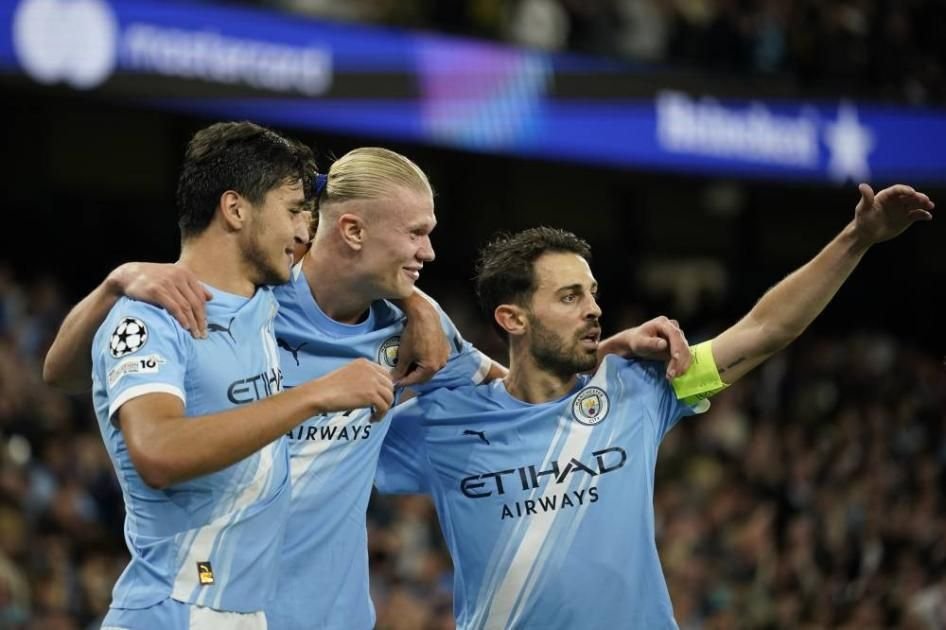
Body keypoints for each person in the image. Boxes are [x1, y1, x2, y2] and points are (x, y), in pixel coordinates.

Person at [45, 147, 692, 629]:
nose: (430, 252)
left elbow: (525, 394)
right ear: (351, 230)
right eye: (417, 233)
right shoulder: (245, 299)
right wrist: (116, 283)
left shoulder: (418, 324)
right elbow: (69, 375)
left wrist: (599, 356)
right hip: (207, 602)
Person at [375, 183, 935, 629]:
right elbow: (336, 447)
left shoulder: (636, 385)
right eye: (570, 297)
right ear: (512, 318)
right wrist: (410, 309)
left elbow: (765, 330)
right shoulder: (446, 420)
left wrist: (857, 238)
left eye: (593, 293)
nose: (594, 309)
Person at [87, 121, 400, 629]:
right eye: (294, 210)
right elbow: (158, 453)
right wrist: (315, 396)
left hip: (245, 614)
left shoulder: (265, 299)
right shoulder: (152, 317)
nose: (306, 230)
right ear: (235, 209)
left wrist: (419, 306)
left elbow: (356, 266)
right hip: (175, 608)